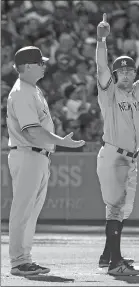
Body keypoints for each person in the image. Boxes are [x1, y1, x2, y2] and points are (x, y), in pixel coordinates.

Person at [6, 46, 85, 276]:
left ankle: (24, 259)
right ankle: (18, 261)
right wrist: (63, 141)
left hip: (37, 155)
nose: (44, 65)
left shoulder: (32, 89)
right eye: (40, 63)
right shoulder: (21, 91)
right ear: (28, 66)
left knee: (31, 212)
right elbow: (32, 131)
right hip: (28, 152)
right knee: (23, 211)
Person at [96, 13, 139, 275]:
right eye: (120, 71)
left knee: (124, 208)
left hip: (130, 156)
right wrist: (101, 40)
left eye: (129, 70)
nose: (125, 74)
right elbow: (101, 68)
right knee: (116, 207)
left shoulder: (138, 91)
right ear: (115, 75)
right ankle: (115, 263)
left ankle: (107, 255)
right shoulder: (109, 92)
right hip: (113, 154)